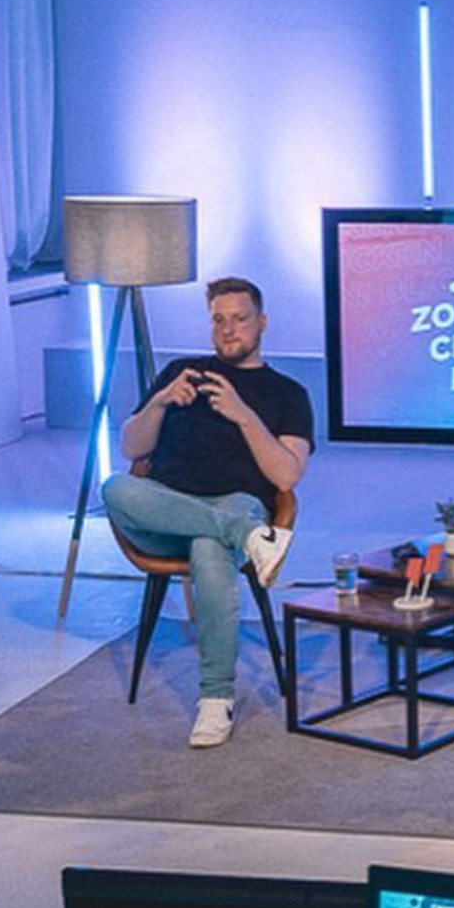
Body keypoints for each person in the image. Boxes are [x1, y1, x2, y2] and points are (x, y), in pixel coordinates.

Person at [101, 276, 312, 748]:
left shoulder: (288, 393)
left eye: (239, 319)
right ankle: (253, 538)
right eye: (219, 320)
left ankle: (215, 700)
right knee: (115, 488)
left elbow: (286, 477)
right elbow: (131, 447)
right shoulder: (182, 371)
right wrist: (159, 401)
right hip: (163, 513)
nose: (228, 329)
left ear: (262, 323)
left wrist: (242, 413)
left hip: (234, 503)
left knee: (208, 545)